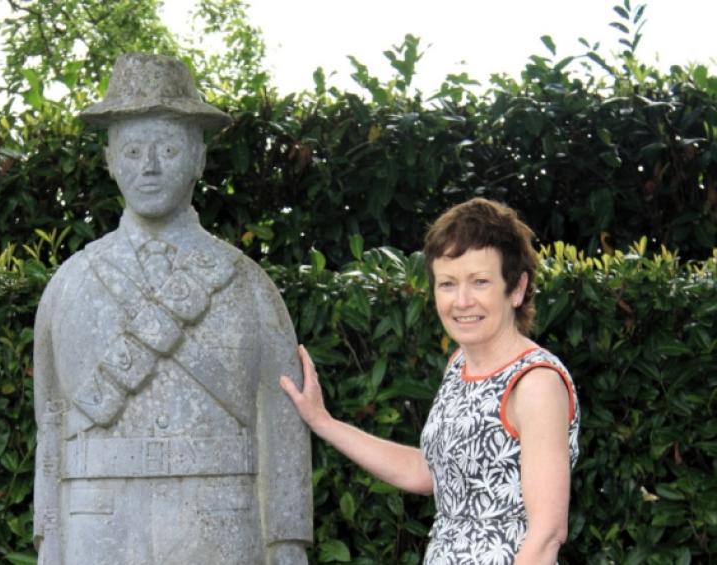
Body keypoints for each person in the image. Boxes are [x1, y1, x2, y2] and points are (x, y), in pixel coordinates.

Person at [33, 53, 312, 565]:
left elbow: (280, 417)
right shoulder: (69, 287)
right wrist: (48, 534)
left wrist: (286, 540)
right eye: (133, 149)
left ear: (198, 157)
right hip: (95, 525)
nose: (150, 166)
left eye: (167, 147)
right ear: (110, 160)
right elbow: (52, 419)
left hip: (221, 521)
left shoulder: (248, 285)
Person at [280, 197, 579, 564]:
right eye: (448, 284)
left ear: (516, 288)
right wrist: (322, 421)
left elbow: (548, 534)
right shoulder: (459, 365)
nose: (462, 301)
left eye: (480, 282)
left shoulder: (535, 382)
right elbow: (425, 471)